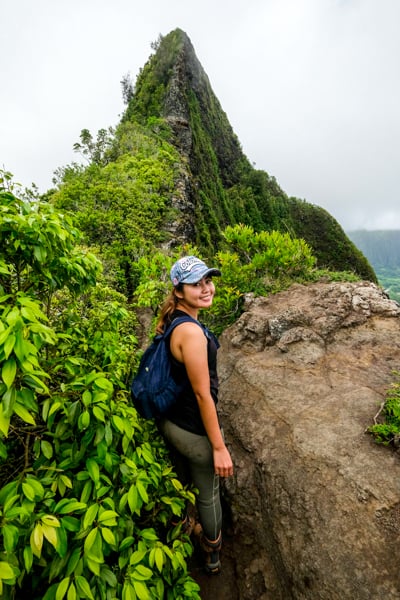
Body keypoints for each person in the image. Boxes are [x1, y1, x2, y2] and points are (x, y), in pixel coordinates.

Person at [156, 255, 234, 575]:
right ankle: (212, 555)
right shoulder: (191, 333)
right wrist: (218, 447)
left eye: (207, 281)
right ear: (178, 290)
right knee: (208, 494)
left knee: (179, 479)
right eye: (196, 284)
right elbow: (203, 395)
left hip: (170, 422)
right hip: (192, 430)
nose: (205, 288)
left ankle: (180, 528)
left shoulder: (174, 320)